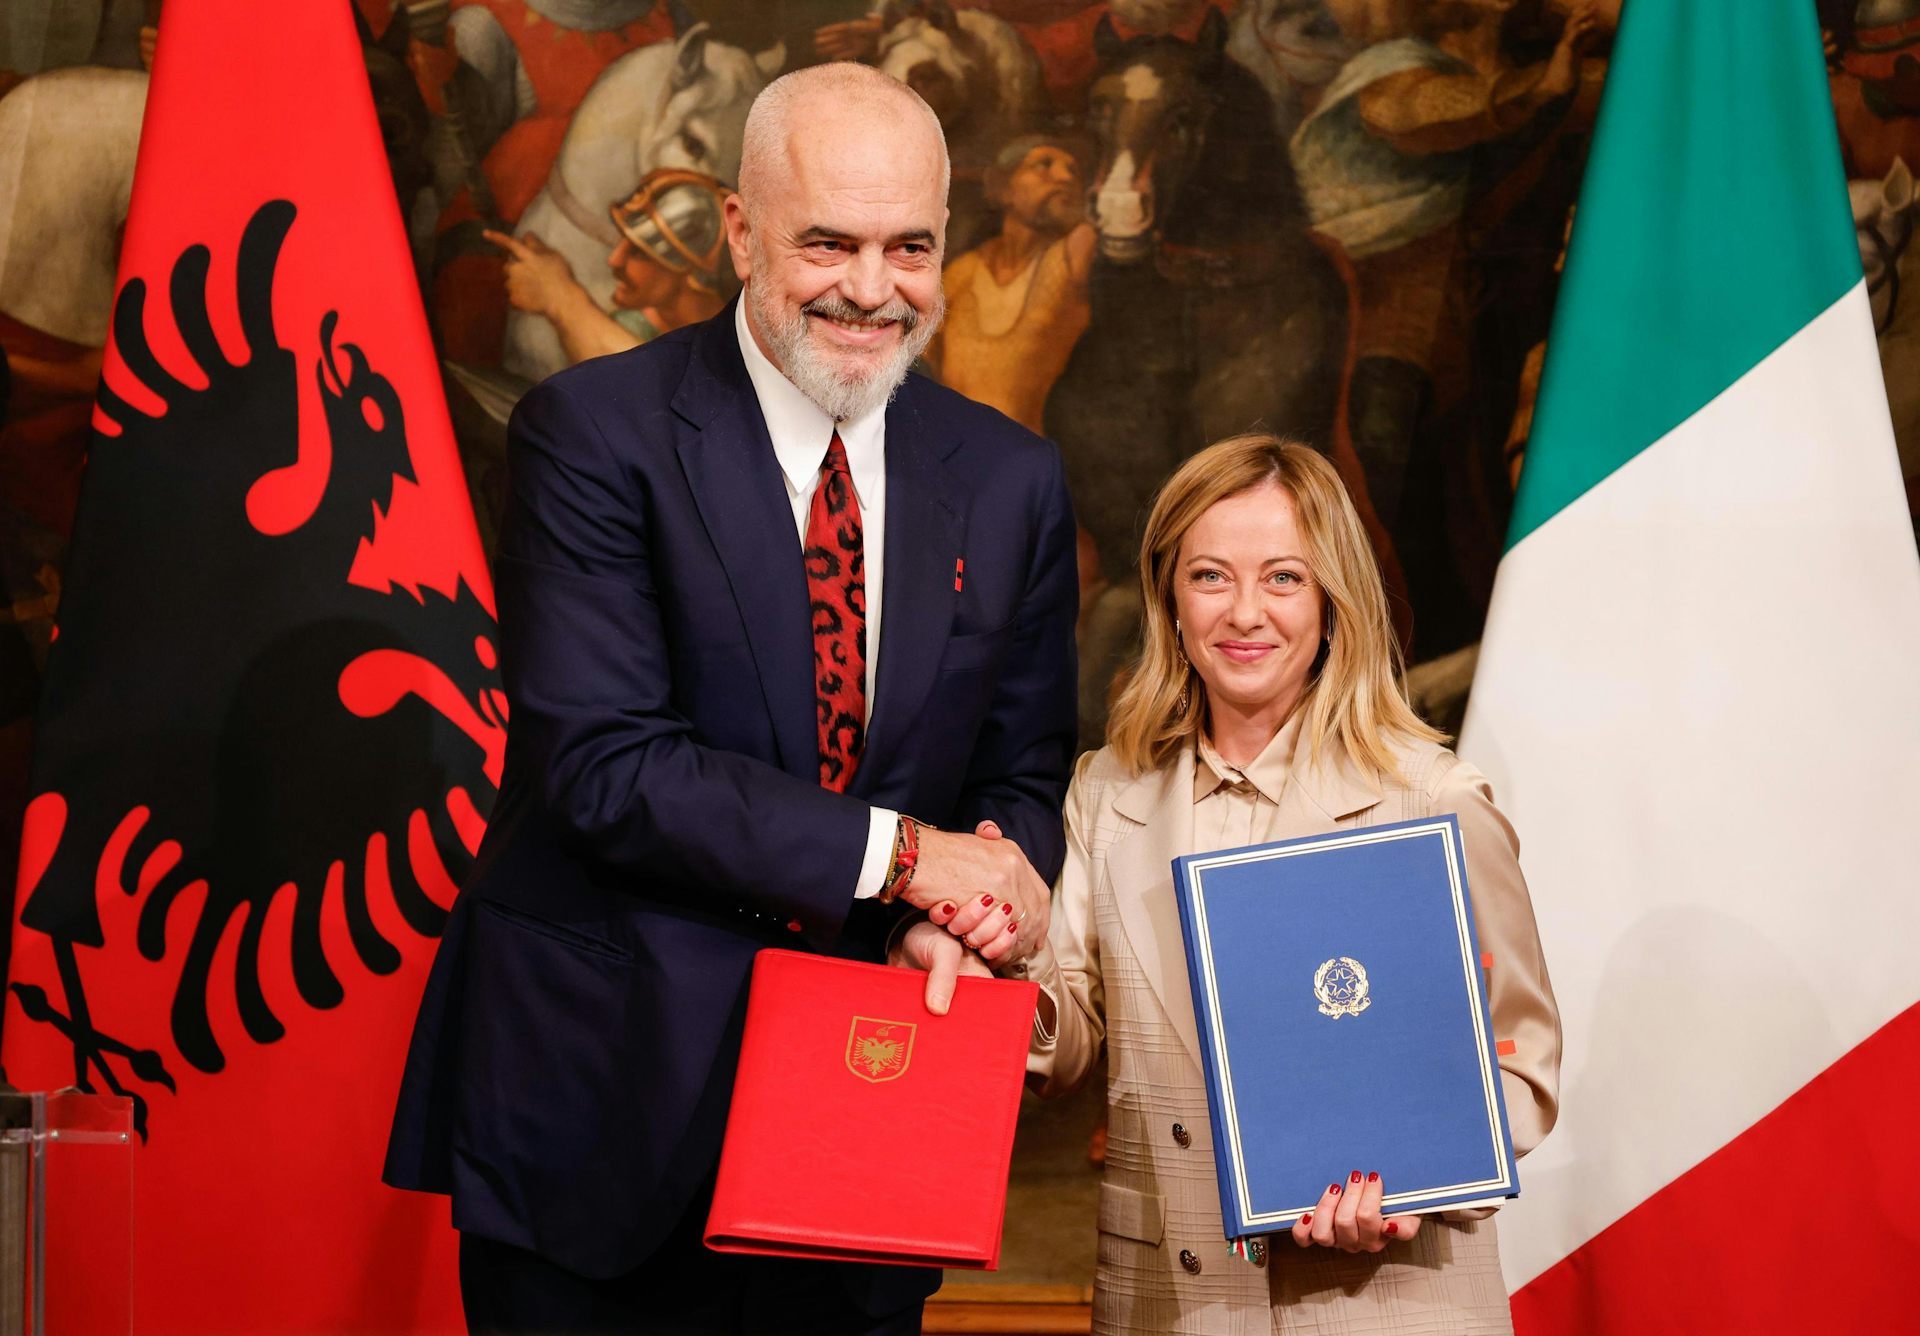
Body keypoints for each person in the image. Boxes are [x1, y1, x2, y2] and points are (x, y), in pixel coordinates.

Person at [384, 61, 1080, 1334]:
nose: (872, 288)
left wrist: (970, 914)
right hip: (603, 1123)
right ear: (742, 234)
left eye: (910, 247)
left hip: (865, 1132)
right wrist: (909, 859)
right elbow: (607, 766)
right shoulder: (592, 433)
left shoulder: (1009, 478)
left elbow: (1021, 774)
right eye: (828, 243)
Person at [901, 434, 1559, 1333]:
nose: (1245, 613)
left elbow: (1521, 1059)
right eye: (1210, 576)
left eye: (1284, 578)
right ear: (1169, 598)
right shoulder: (1109, 792)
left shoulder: (1431, 799)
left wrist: (1417, 1184)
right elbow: (1068, 1045)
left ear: (1333, 600)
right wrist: (1003, 953)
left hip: (1387, 1302)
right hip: (1168, 1304)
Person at [926, 134, 1096, 436]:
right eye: (1044, 165)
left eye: (1073, 171)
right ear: (1003, 188)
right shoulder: (962, 272)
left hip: (1026, 453)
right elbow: (923, 365)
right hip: (951, 449)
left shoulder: (1071, 255)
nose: (1065, 177)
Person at [484, 167, 734, 365]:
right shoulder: (631, 324)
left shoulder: (733, 342)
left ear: (688, 268)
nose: (614, 260)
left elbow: (651, 389)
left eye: (638, 252)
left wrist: (559, 297)